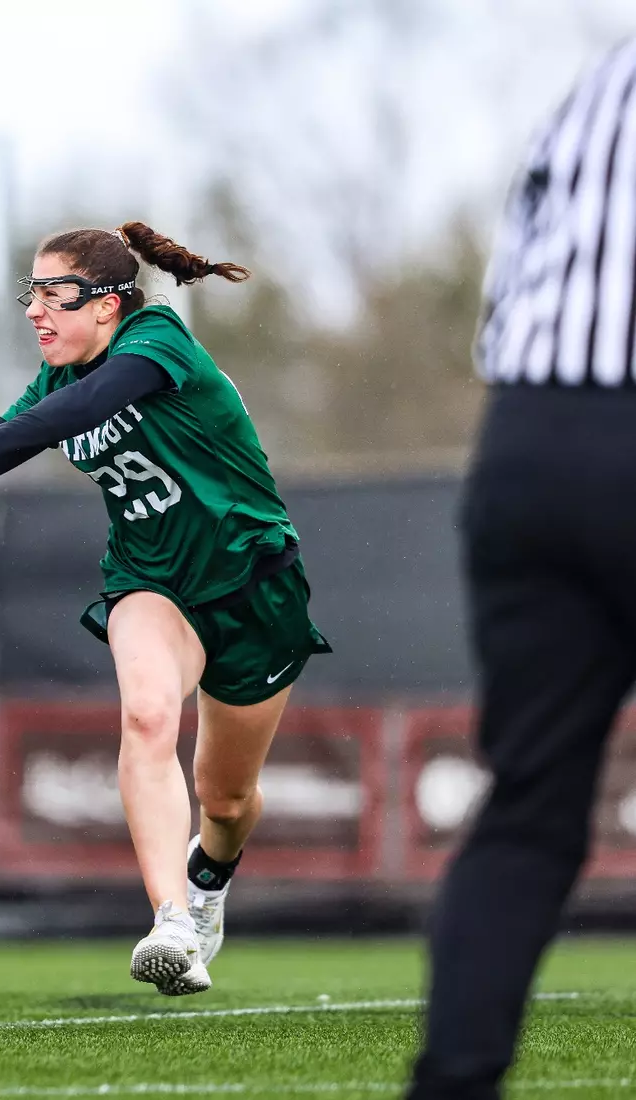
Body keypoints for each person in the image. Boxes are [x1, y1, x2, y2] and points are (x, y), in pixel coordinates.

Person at [0, 223, 328, 996]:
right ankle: (172, 922)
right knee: (149, 716)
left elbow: (79, 409)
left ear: (111, 303)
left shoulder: (156, 340)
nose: (35, 312)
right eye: (33, 296)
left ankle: (209, 880)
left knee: (225, 799)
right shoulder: (56, 382)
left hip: (253, 586)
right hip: (150, 583)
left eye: (55, 296)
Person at [409, 39, 636, 1100]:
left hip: (526, 442)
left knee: (531, 805)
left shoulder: (598, 81)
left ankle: (452, 1081)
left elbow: (508, 299)